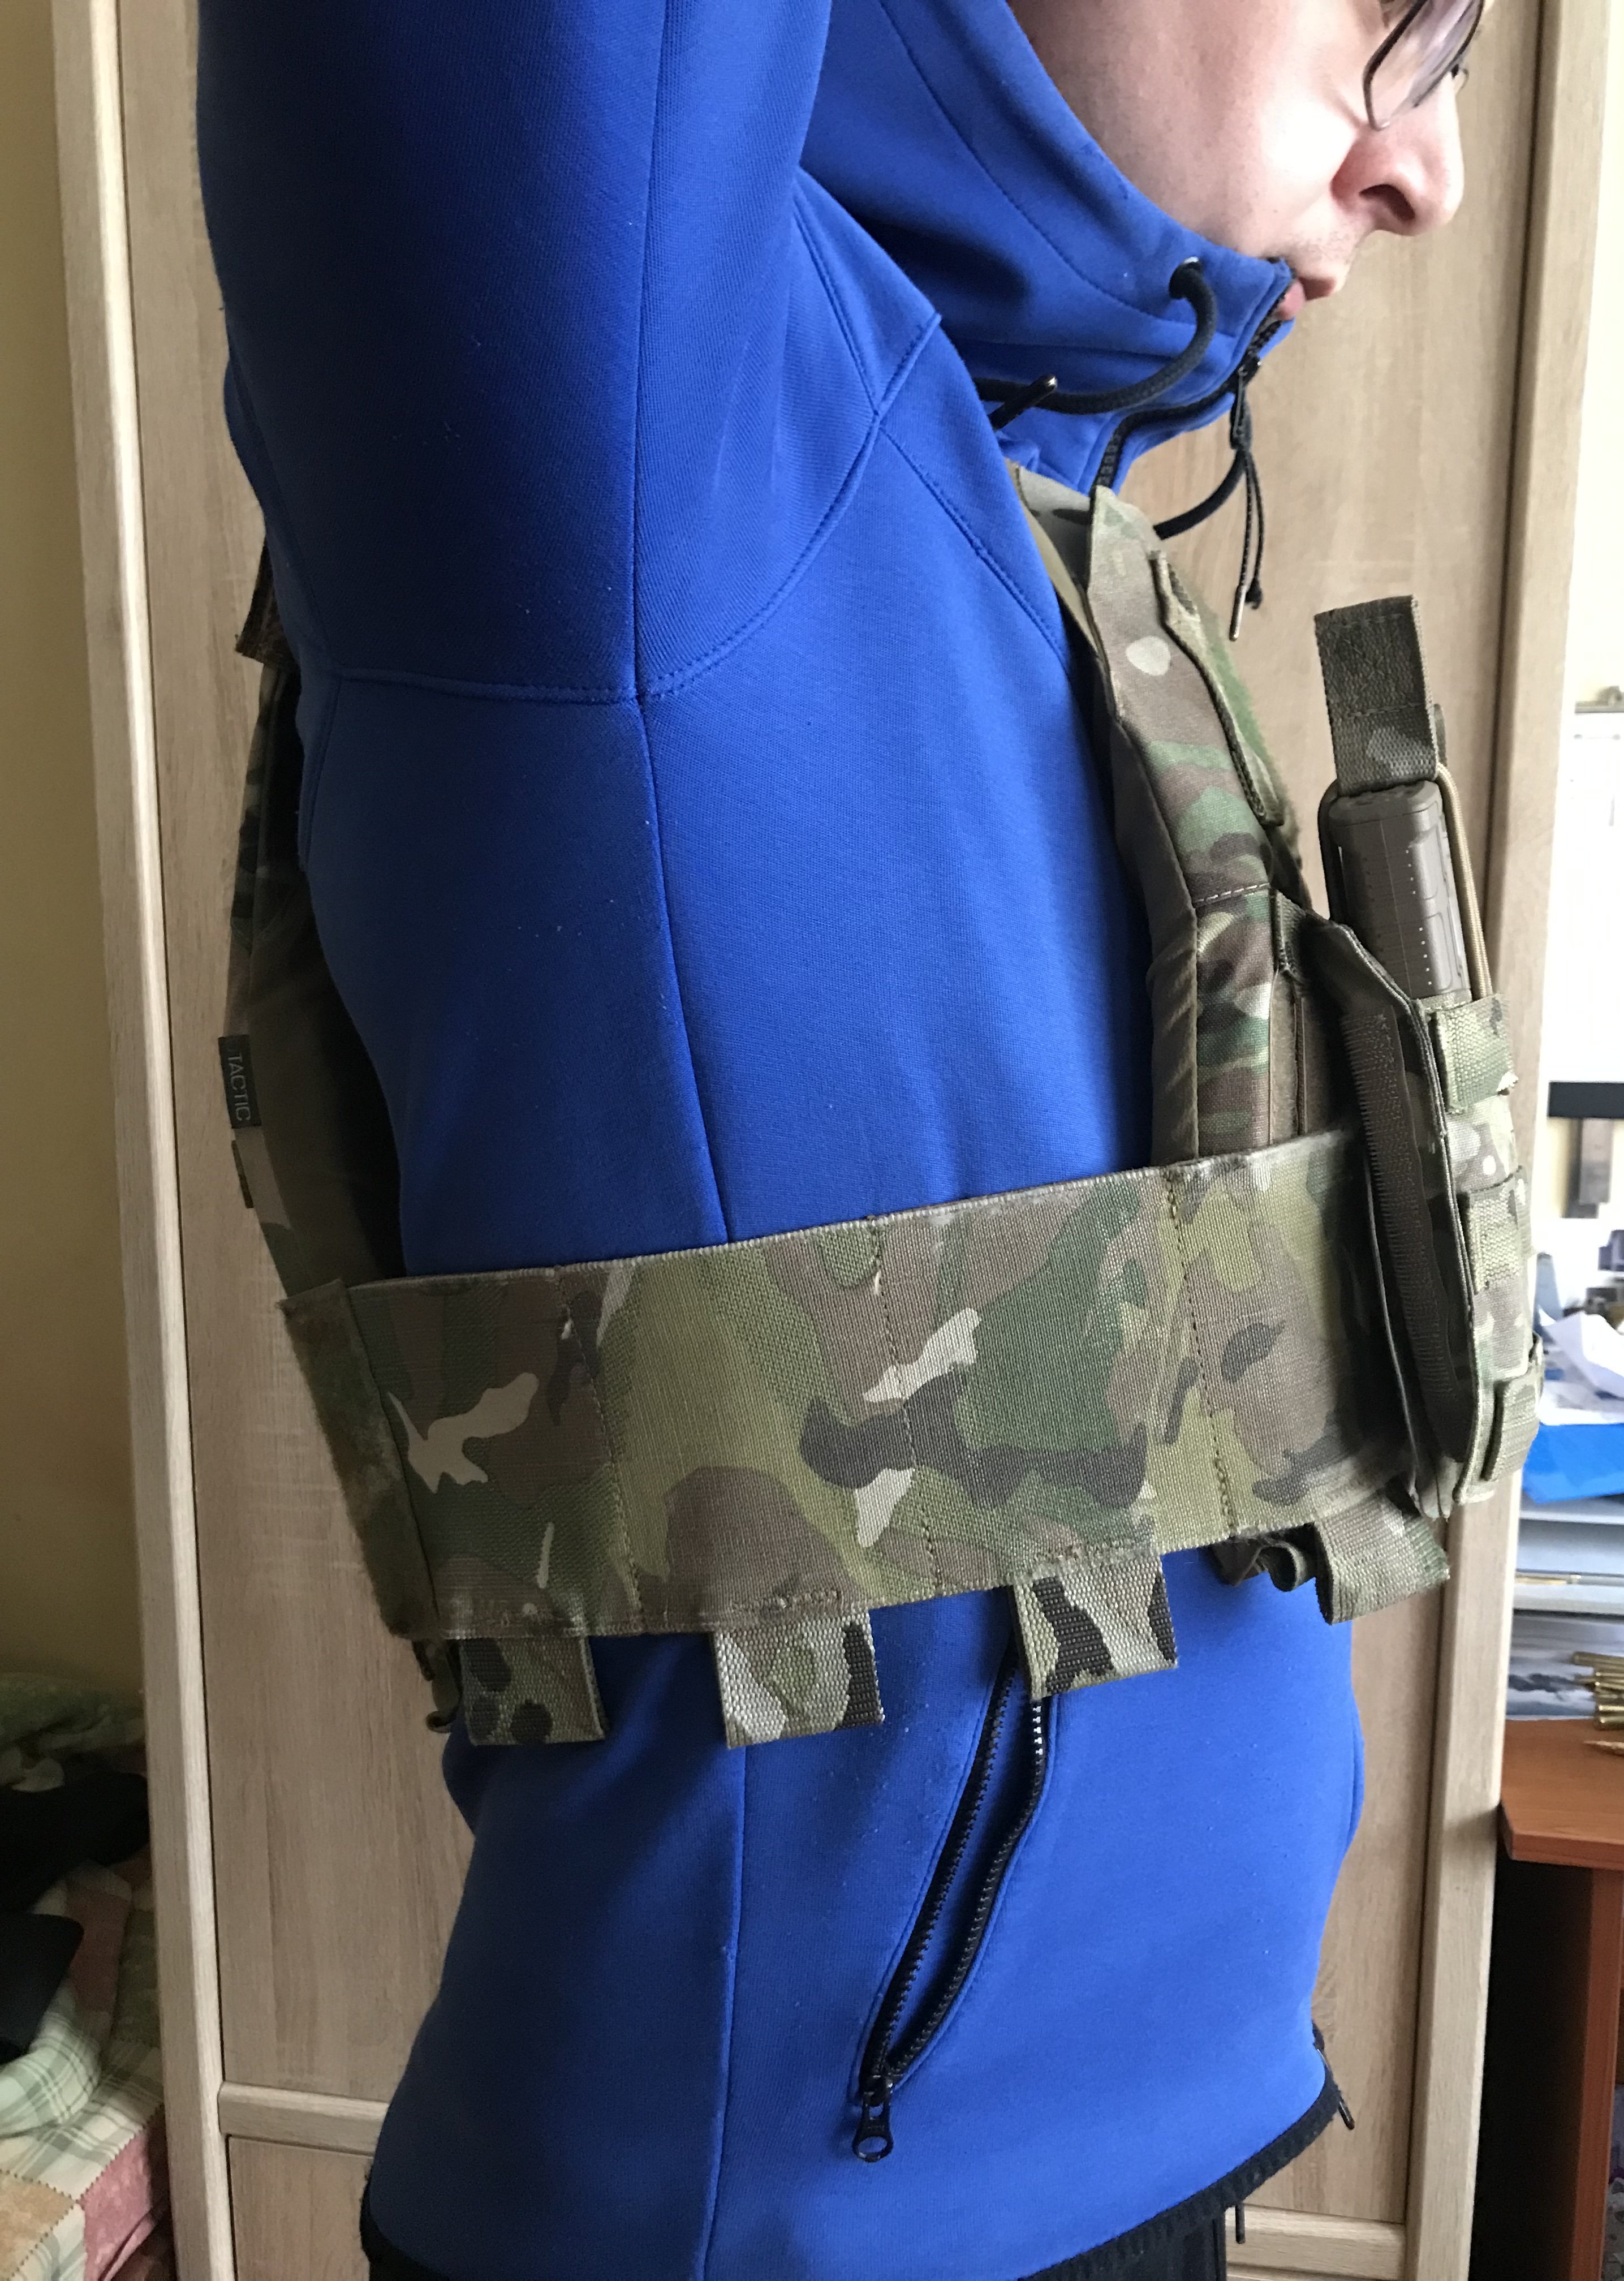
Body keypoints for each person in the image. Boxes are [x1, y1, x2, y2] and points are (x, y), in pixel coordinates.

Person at [195, 1, 1473, 2275]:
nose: (1425, 165)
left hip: (1159, 2163)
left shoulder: (1018, 511)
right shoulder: (612, 419)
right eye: (1407, 23)